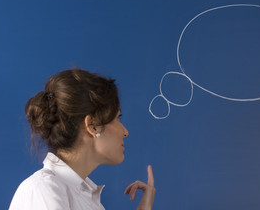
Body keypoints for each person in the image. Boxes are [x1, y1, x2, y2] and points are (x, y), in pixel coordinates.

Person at [9, 68, 156, 210]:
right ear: (92, 126)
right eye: (117, 118)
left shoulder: (85, 198)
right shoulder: (43, 190)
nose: (125, 132)